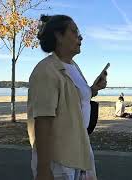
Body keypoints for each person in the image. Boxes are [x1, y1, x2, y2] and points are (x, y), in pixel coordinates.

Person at [27, 15, 107, 180]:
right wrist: (43, 169)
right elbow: (42, 122)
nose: (81, 37)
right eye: (74, 31)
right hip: (59, 161)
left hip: (80, 151)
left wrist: (92, 89)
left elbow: (72, 100)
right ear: (59, 35)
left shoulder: (72, 66)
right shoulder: (46, 71)